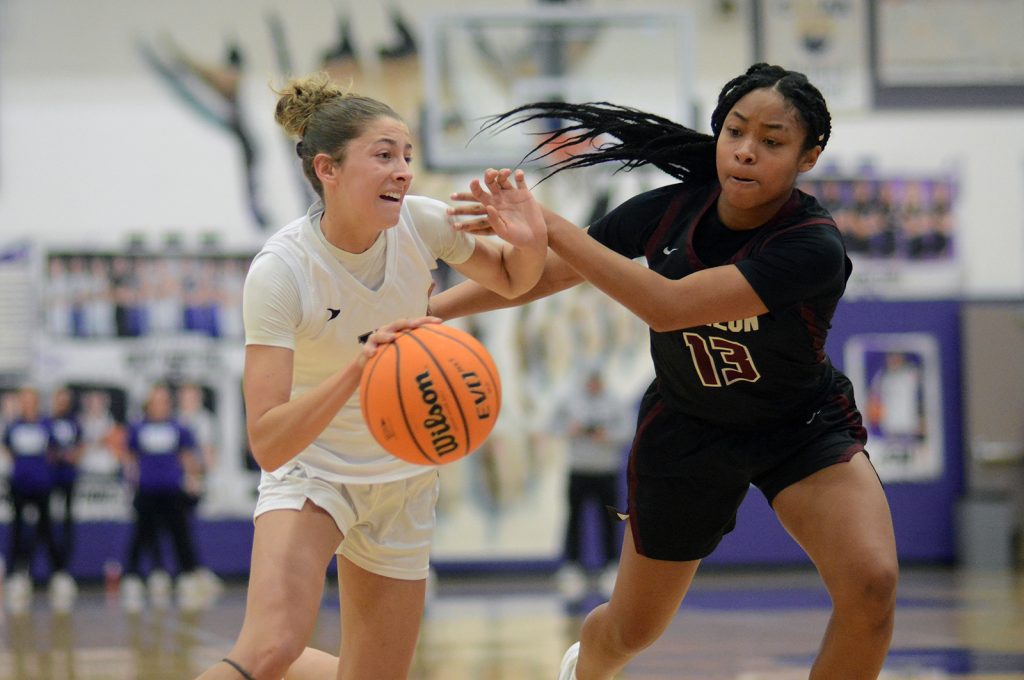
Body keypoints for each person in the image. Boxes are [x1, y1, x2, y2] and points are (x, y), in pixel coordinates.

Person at [434, 63, 898, 680]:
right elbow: (538, 276)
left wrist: (552, 225)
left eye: (772, 141)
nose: (746, 151)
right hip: (688, 431)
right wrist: (428, 312)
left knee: (872, 586)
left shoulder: (812, 245)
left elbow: (668, 306)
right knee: (630, 631)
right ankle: (584, 669)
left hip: (799, 426)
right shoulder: (670, 211)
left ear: (807, 157)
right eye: (735, 132)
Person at [194, 71, 545, 680]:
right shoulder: (281, 271)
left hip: (404, 475)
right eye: (384, 155)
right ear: (327, 169)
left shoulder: (423, 223)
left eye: (407, 155)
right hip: (314, 472)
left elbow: (516, 279)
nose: (404, 170)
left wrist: (531, 238)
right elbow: (268, 441)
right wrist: (360, 370)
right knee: (271, 648)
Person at [115, 383, 207, 612]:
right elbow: (129, 456)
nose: (160, 405)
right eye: (156, 401)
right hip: (146, 489)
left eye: (164, 401)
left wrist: (193, 479)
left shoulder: (178, 427)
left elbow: (187, 456)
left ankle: (187, 576)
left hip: (172, 489)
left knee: (179, 533)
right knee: (141, 534)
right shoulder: (138, 427)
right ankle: (133, 577)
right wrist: (130, 480)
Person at [552, 370, 633, 599]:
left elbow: (628, 431)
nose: (593, 385)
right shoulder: (571, 400)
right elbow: (553, 425)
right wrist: (571, 429)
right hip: (579, 470)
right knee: (574, 519)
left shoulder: (615, 401)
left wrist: (606, 434)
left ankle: (611, 566)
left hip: (606, 472)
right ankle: (572, 567)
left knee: (610, 520)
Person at [2, 386, 70, 615]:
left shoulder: (46, 425)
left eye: (31, 400)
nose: (28, 404)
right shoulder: (14, 426)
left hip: (42, 485)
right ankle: (16, 575)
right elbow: (8, 448)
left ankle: (58, 574)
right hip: (20, 485)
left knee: (47, 529)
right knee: (18, 529)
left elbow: (56, 450)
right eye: (24, 400)